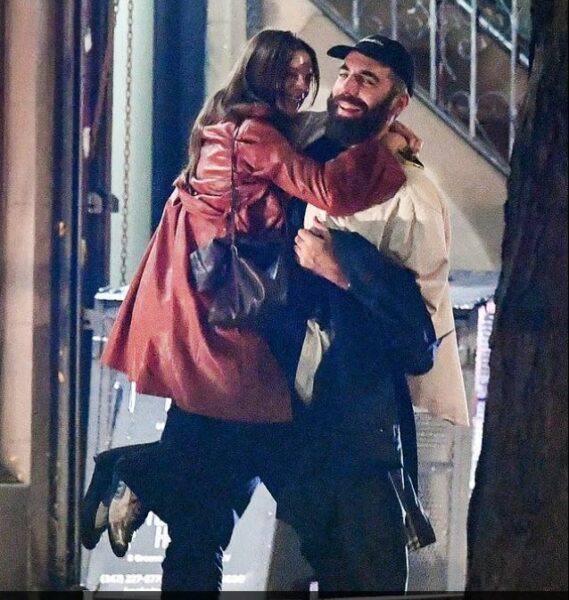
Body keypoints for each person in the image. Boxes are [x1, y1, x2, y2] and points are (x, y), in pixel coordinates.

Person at [87, 29, 413, 592]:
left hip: (222, 330)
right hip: (239, 335)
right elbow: (327, 190)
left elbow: (312, 140)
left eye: (308, 75)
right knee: (281, 515)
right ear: (260, 74)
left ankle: (134, 474)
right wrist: (384, 148)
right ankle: (133, 472)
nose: (303, 85)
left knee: (202, 519)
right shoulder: (257, 136)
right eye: (289, 73)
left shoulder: (240, 124)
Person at [265, 34, 470, 593]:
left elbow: (417, 339)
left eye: (368, 79)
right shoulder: (318, 155)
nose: (348, 88)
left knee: (365, 575)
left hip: (359, 424)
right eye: (345, 74)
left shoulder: (412, 196)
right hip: (289, 413)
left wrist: (346, 266)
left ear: (397, 102)